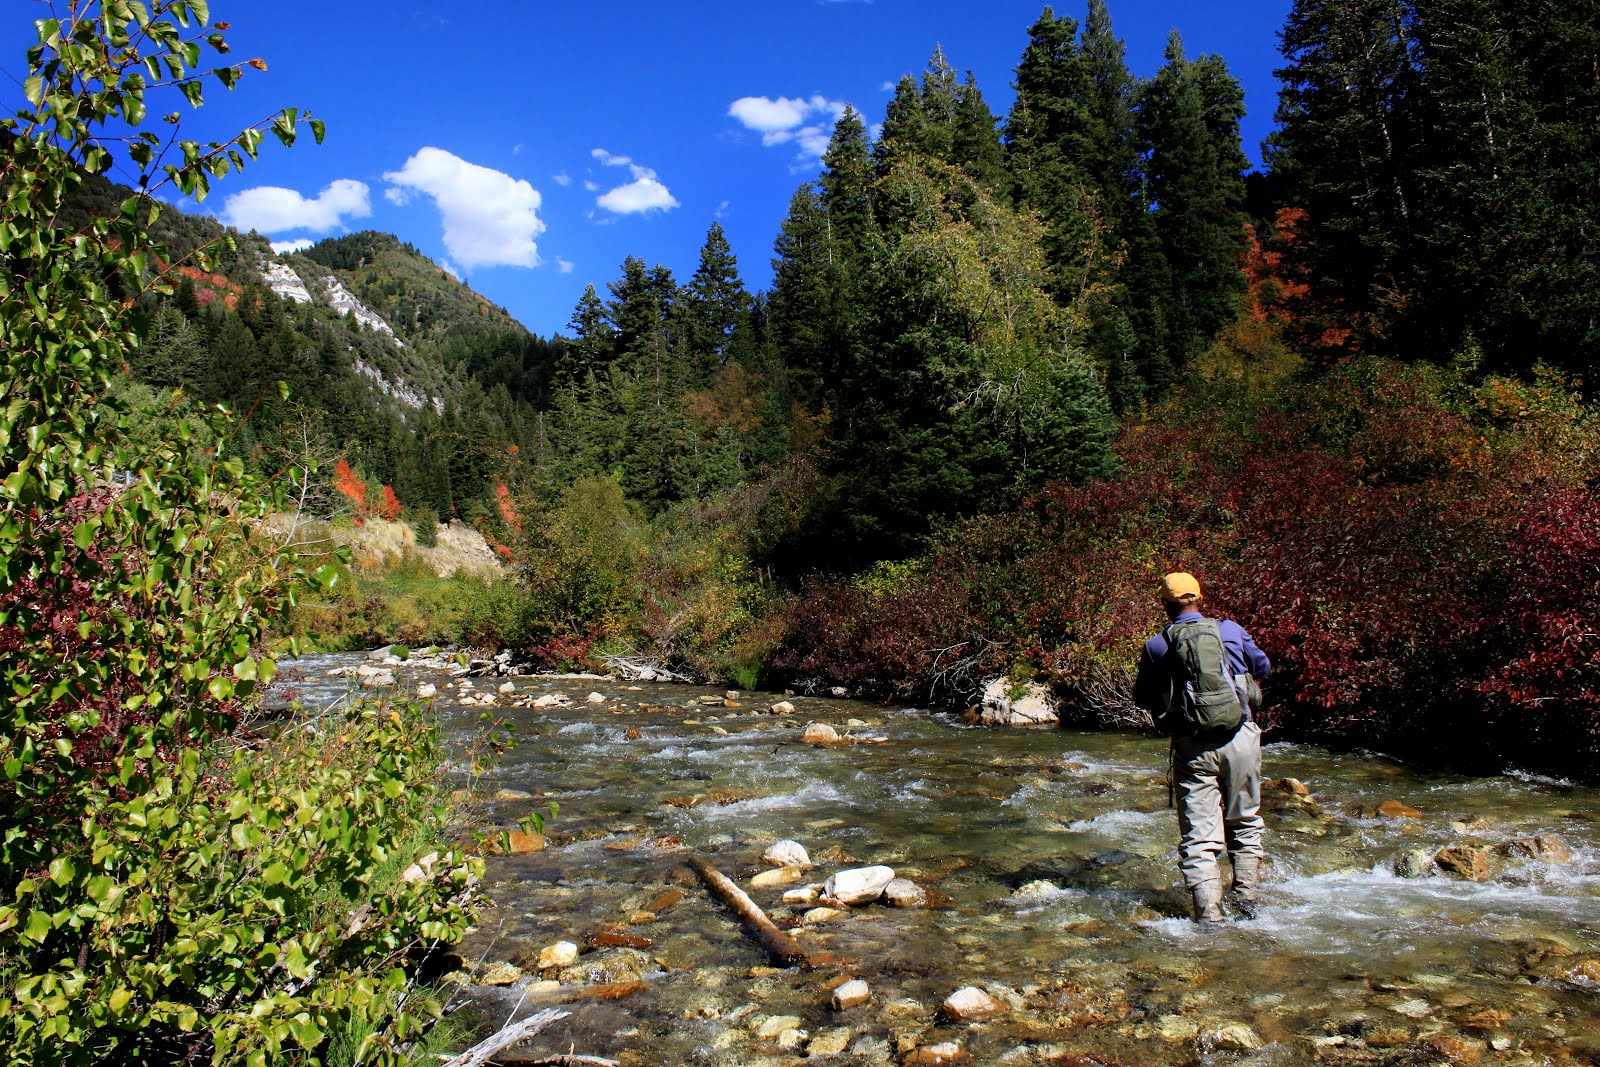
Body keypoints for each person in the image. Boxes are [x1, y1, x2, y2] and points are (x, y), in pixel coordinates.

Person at [1132, 572, 1271, 923]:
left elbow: (1142, 697)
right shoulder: (1230, 631)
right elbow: (1263, 666)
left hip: (1192, 747)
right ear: (1200, 599)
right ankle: (1248, 903)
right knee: (1245, 821)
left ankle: (1209, 918)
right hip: (1240, 738)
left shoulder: (1157, 645)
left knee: (1199, 838)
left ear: (1165, 605)